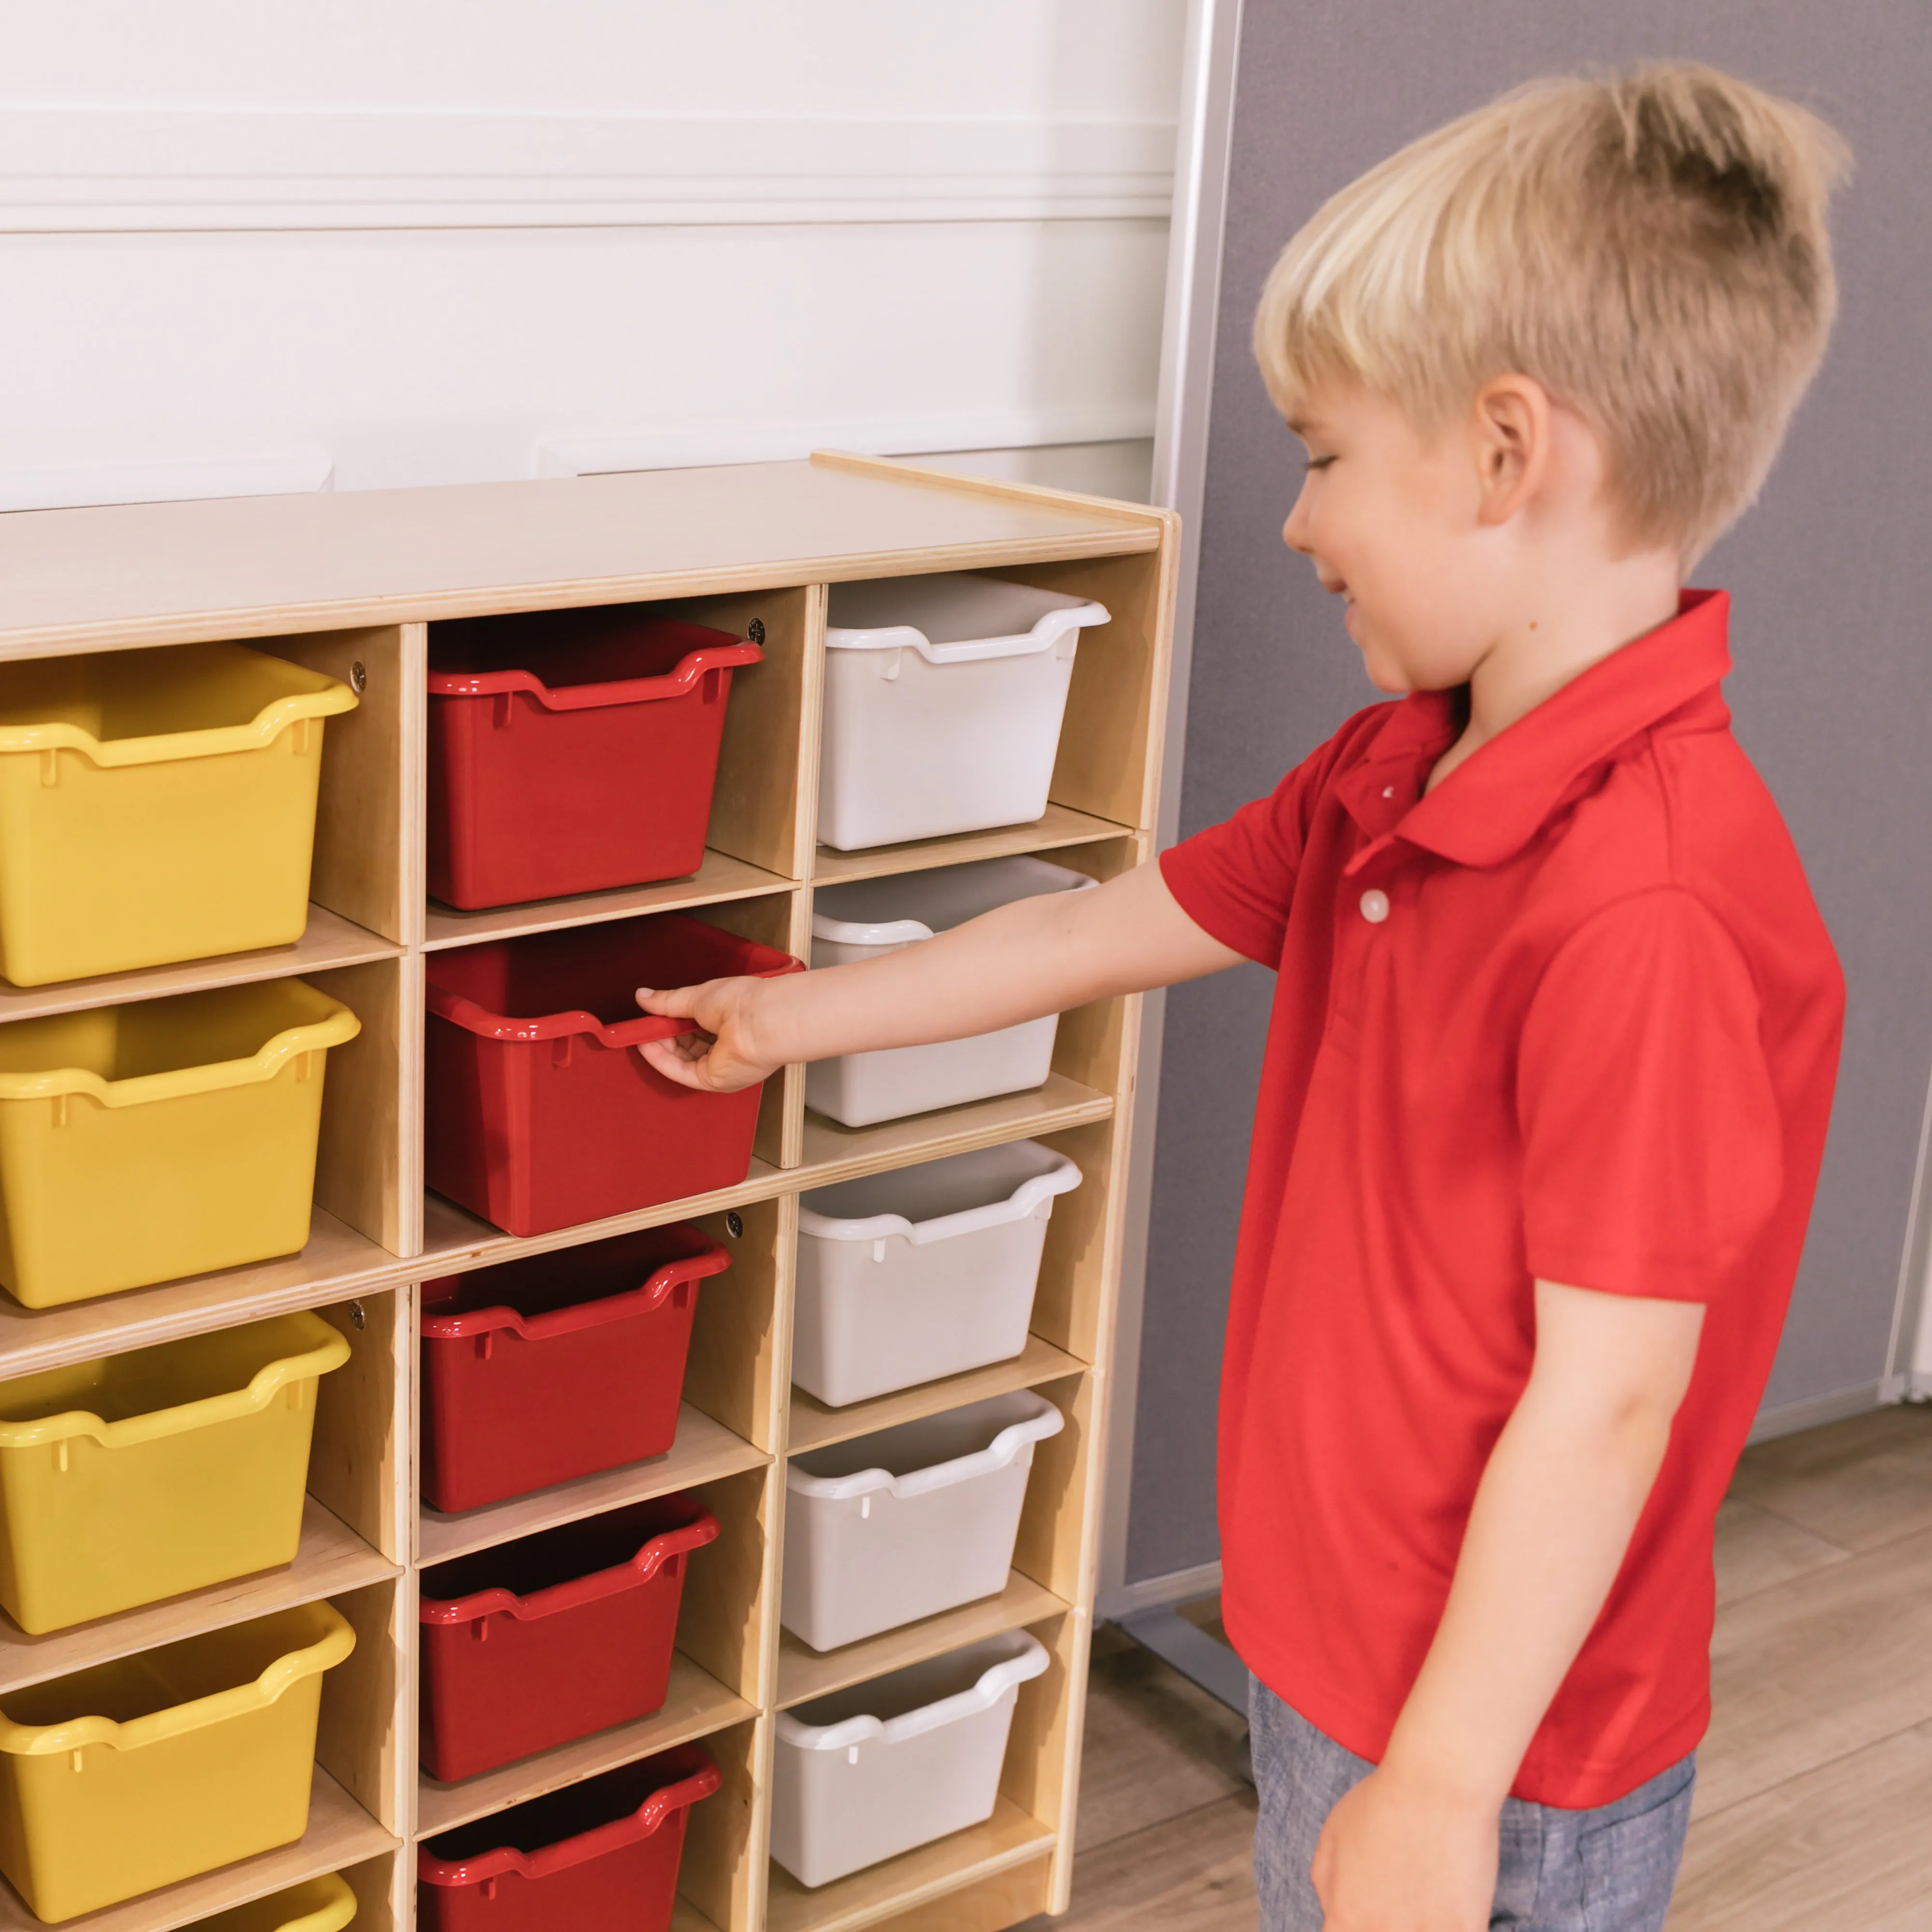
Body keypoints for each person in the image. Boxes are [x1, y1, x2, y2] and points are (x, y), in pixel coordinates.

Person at [633, 63, 1848, 1932]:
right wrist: (795, 1023)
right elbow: (1106, 926)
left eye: (1324, 456)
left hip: (1502, 1749)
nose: (1297, 522)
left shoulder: (1649, 903)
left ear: (1510, 452)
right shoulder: (1395, 774)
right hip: (1331, 1648)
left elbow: (1609, 1402)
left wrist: (1442, 1785)